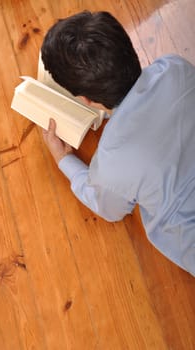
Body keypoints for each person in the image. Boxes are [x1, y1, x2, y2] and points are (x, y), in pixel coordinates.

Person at [41, 11, 195, 276]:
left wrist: (64, 160)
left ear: (87, 100)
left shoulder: (113, 159)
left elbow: (110, 210)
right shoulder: (174, 67)